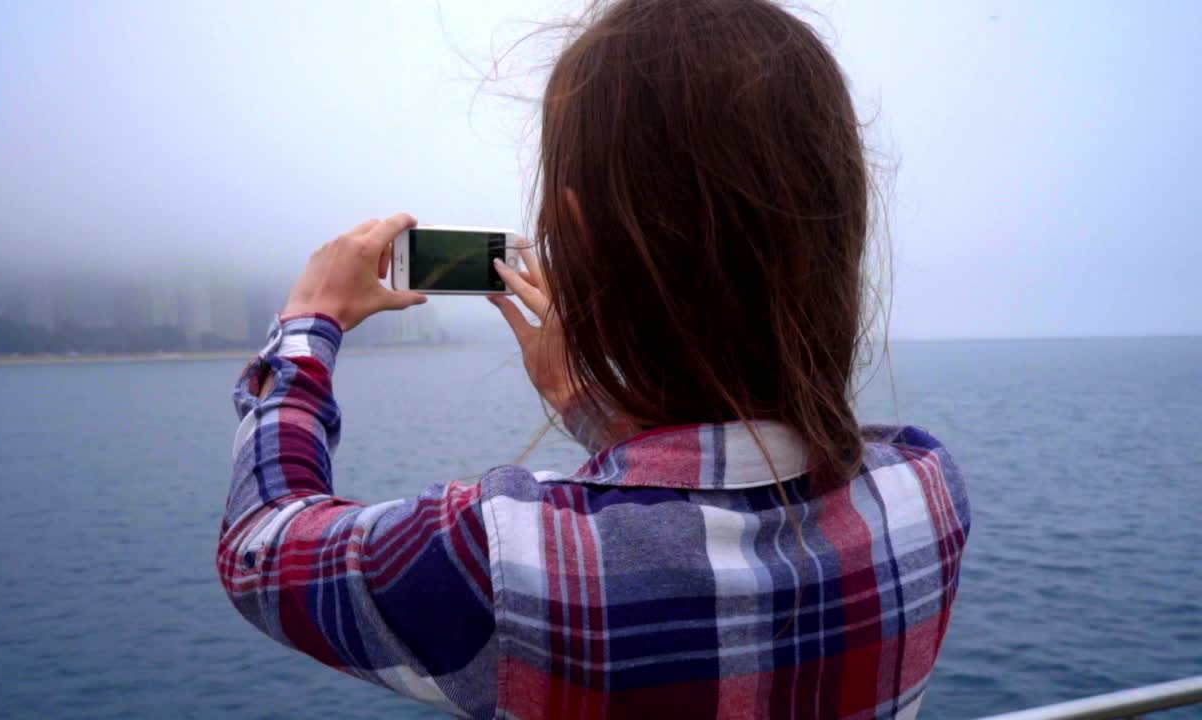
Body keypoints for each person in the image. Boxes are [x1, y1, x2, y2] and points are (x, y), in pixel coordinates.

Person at [217, 0, 971, 717]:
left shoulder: (509, 560)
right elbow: (711, 498)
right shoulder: (925, 494)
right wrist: (585, 404)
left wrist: (309, 323)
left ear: (575, 230)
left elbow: (261, 549)